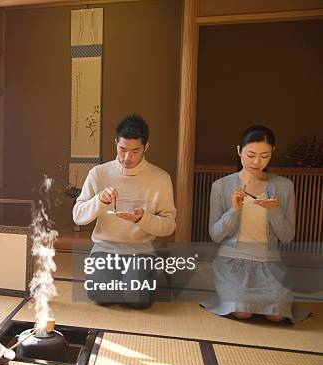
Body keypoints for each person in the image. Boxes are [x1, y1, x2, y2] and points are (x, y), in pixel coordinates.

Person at [201, 125, 308, 323]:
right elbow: (215, 235)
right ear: (239, 151)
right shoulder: (221, 186)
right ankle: (227, 295)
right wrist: (234, 210)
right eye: (251, 155)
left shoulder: (284, 187)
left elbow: (287, 237)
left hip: (270, 264)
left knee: (277, 314)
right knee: (243, 311)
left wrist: (274, 210)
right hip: (231, 263)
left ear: (272, 153)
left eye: (264, 155)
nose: (257, 162)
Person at [73, 114, 176, 308]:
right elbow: (78, 216)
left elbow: (169, 226)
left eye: (135, 151)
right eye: (122, 149)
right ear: (116, 144)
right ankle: (123, 282)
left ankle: (134, 281)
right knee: (100, 296)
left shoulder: (161, 178)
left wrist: (142, 219)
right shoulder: (98, 173)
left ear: (146, 147)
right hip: (105, 249)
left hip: (141, 251)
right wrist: (100, 200)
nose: (127, 157)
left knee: (138, 300)